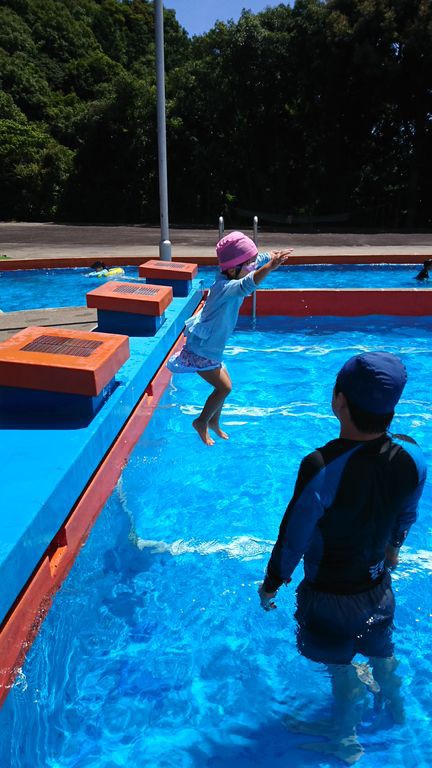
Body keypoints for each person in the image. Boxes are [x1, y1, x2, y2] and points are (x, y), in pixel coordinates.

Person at [258, 352, 427, 763]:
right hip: (378, 591)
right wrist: (393, 549)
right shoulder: (413, 457)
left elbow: (293, 537)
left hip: (328, 600)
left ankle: (344, 738)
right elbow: (407, 512)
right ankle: (396, 706)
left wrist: (272, 583)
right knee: (381, 652)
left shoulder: (320, 465)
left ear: (338, 402)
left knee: (340, 669)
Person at [167, 231, 292, 445]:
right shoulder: (225, 288)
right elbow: (247, 284)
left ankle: (214, 422)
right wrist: (270, 267)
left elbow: (256, 259)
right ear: (234, 269)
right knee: (225, 388)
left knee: (224, 387)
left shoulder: (232, 272)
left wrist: (271, 255)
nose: (253, 266)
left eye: (253, 263)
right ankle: (201, 422)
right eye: (250, 264)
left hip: (210, 348)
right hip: (201, 351)